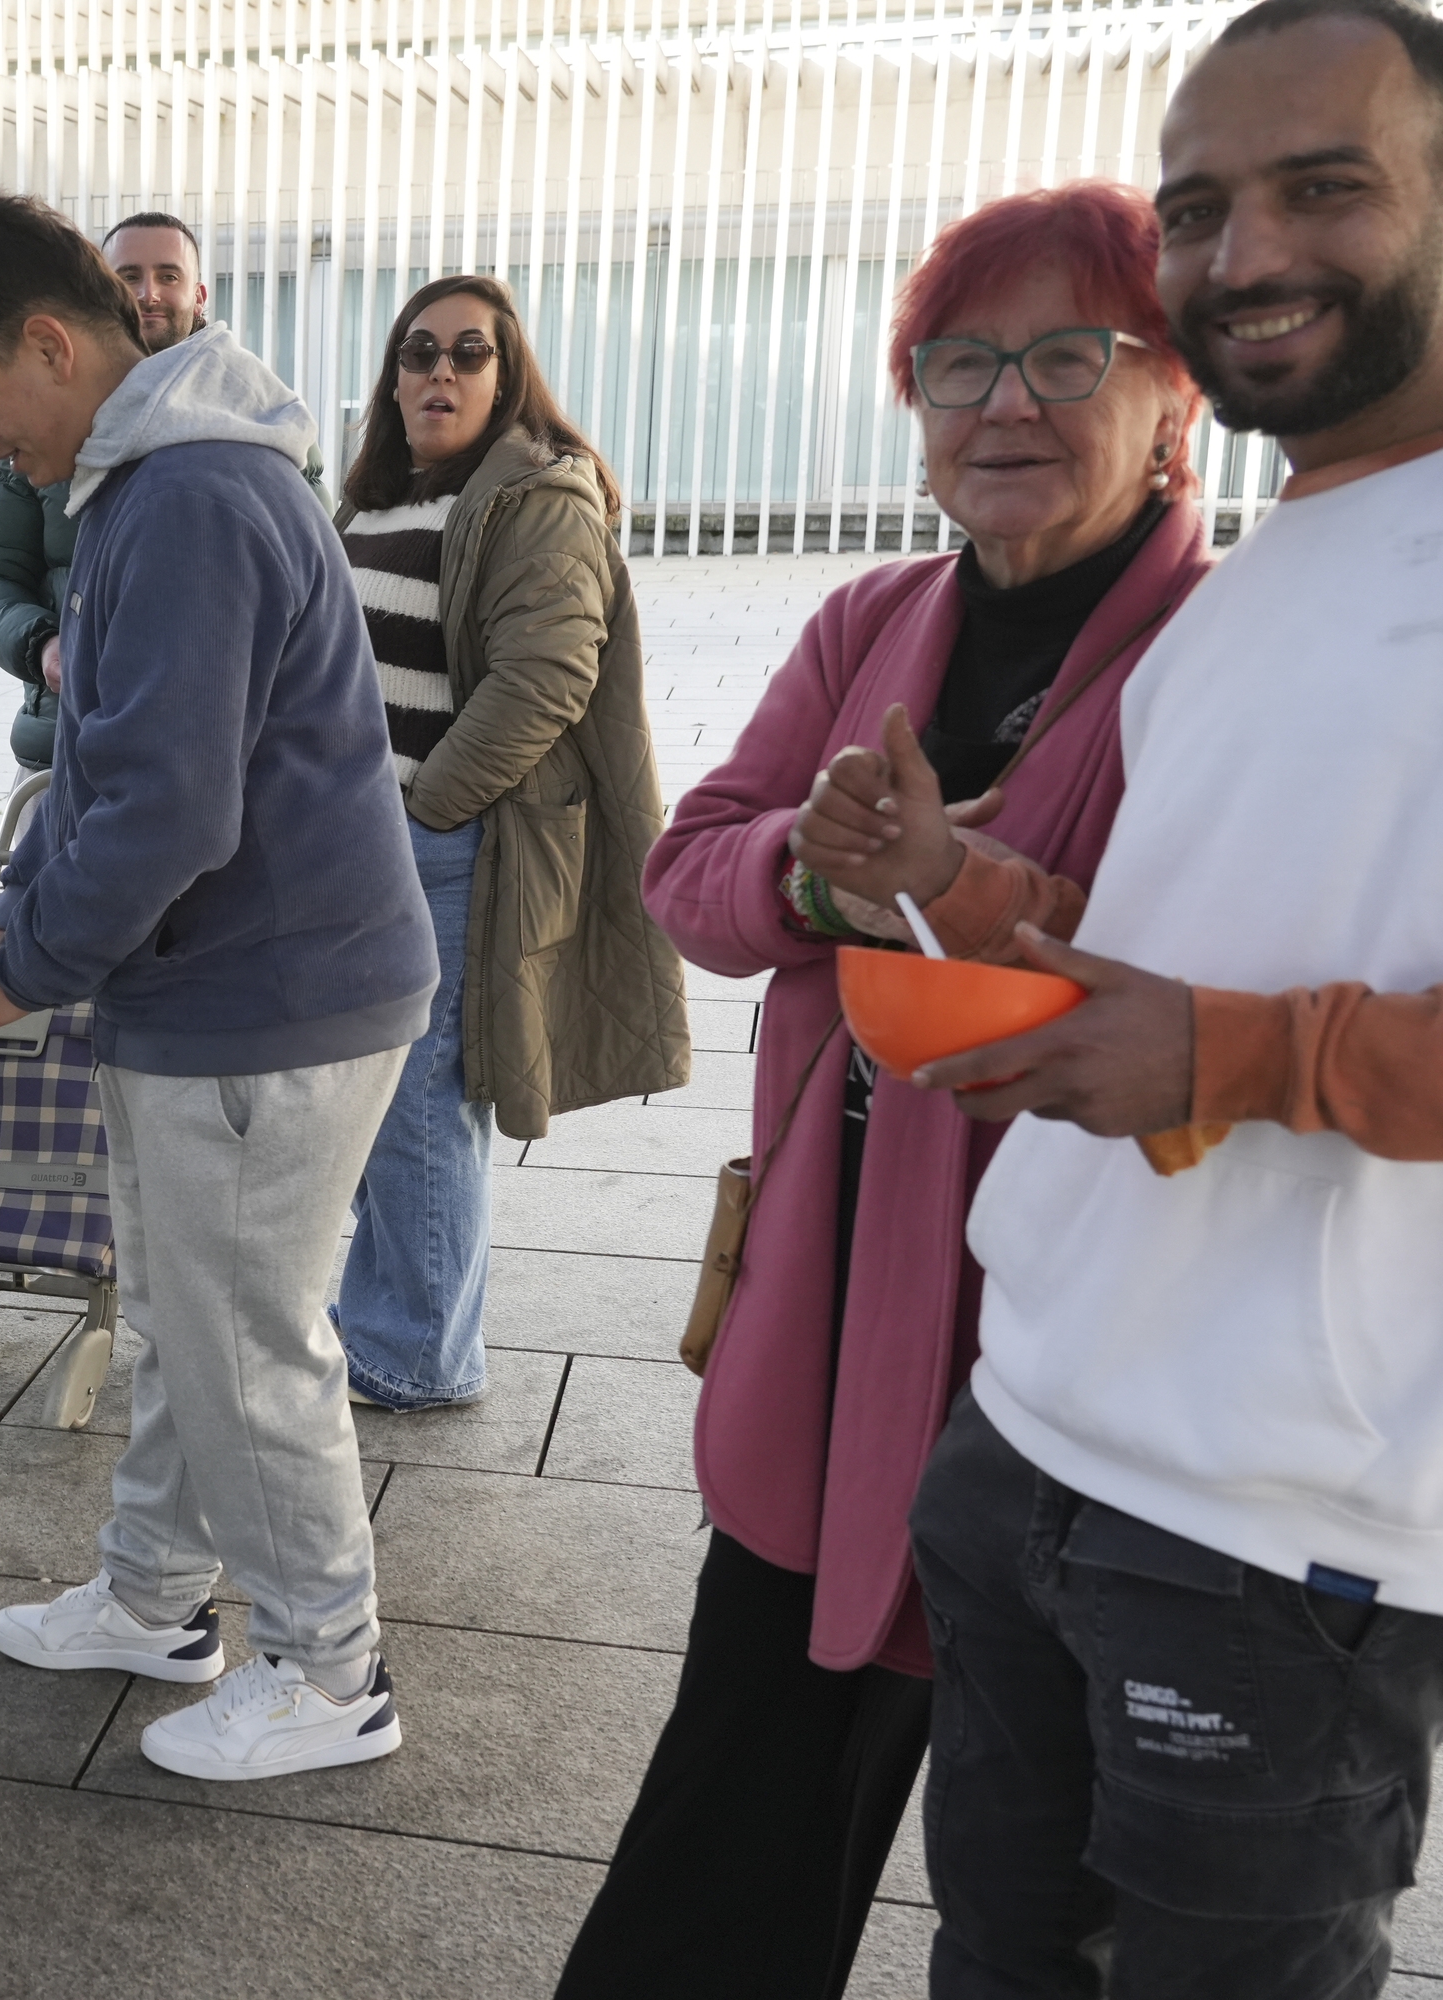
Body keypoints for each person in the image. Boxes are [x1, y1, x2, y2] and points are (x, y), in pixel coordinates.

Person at [562, 185, 1212, 2000]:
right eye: (959, 363)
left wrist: (974, 887)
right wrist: (817, 876)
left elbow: (1219, 999)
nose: (1006, 403)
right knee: (735, 1797)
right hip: (837, 1306)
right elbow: (690, 873)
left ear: (1177, 400)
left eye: (1069, 355)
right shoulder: (875, 616)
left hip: (1058, 1359)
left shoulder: (1220, 657)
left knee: (1045, 1893)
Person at [900, 3, 1443, 1991]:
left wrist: (1224, 1053)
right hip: (1038, 1428)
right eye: (1200, 206)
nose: (1245, 253)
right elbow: (1180, 934)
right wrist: (955, 884)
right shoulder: (1289, 556)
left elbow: (1215, 1022)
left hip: (1277, 1524)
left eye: (1326, 188)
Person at [0, 193, 435, 1780]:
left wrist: (33, 965)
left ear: (52, 345)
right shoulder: (162, 478)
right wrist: (37, 920)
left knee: (246, 1344)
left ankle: (332, 1671)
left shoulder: (187, 494)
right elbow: (117, 761)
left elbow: (169, 808)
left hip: (264, 1002)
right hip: (225, 991)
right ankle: (156, 1600)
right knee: (187, 1325)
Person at [332, 276, 690, 1414]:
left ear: (508, 371)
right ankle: (387, 1315)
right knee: (379, 1095)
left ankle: (417, 1352)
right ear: (392, 375)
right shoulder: (386, 491)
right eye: (419, 351)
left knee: (428, 1096)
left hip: (448, 844)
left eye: (469, 353)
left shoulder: (537, 492)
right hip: (367, 846)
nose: (441, 371)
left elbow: (545, 677)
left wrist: (426, 807)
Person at [0, 210, 226, 775]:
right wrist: (45, 648)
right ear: (102, 292)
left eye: (168, 276)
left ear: (198, 293)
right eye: (128, 276)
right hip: (61, 747)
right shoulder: (53, 422)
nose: (149, 294)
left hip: (205, 759)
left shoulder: (249, 423)